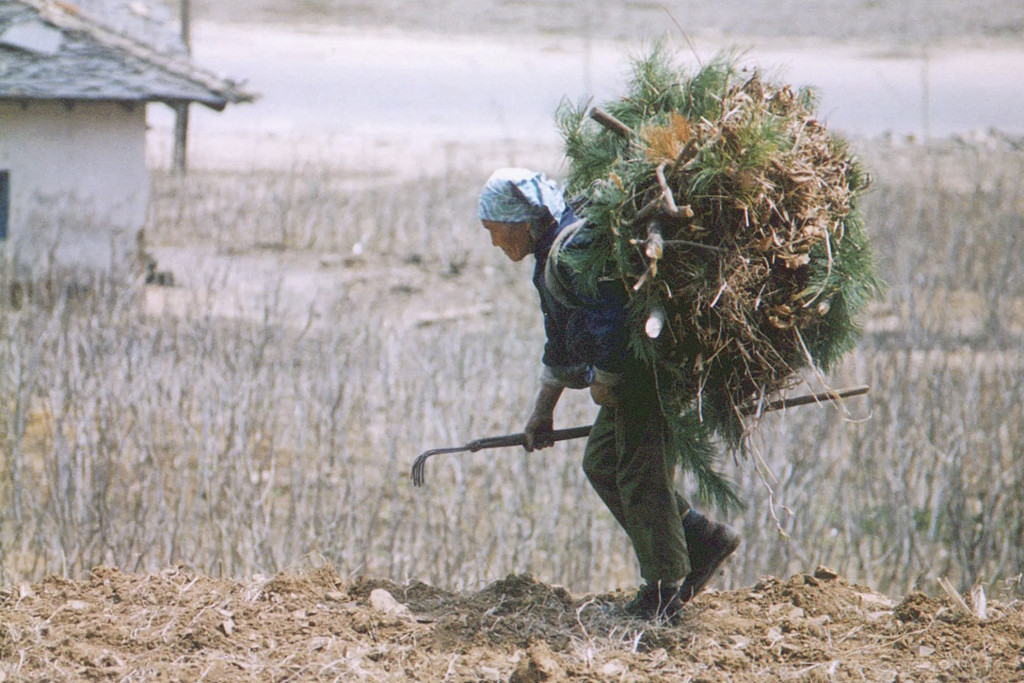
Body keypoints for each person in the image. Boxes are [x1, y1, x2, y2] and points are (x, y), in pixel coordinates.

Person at [477, 167, 740, 621]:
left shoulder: (572, 250)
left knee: (640, 476)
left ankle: (663, 593)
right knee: (601, 462)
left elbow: (615, 322)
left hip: (647, 374)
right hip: (631, 378)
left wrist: (606, 380)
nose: (495, 243)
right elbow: (559, 342)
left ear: (520, 222)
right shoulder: (551, 257)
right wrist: (543, 413)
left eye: (494, 231)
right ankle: (701, 538)